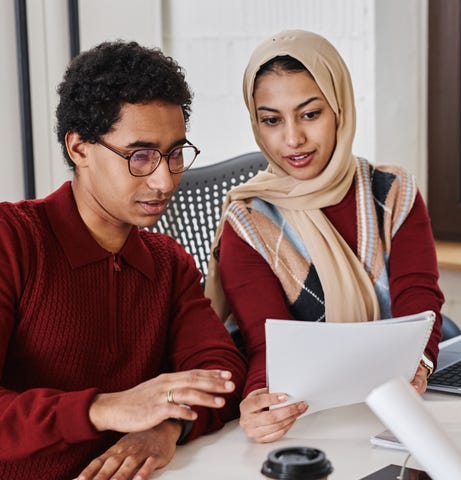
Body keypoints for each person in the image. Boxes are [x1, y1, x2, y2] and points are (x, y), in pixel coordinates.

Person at [0, 41, 247, 479]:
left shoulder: (168, 264)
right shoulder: (12, 240)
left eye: (174, 153)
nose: (164, 179)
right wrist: (102, 409)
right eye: (140, 155)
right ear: (79, 148)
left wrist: (167, 425)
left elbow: (221, 372)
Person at [205, 30, 445, 443]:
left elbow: (419, 298)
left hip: (395, 404)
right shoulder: (247, 222)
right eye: (272, 120)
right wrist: (263, 400)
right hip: (316, 416)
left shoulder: (393, 191)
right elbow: (267, 340)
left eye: (310, 114)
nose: (293, 138)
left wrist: (420, 366)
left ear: (339, 109)